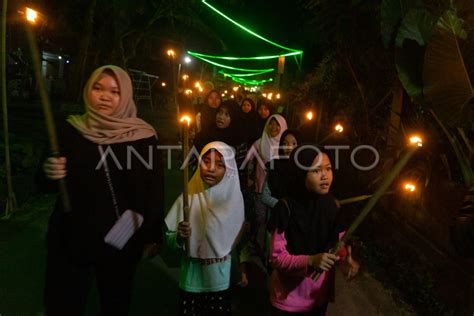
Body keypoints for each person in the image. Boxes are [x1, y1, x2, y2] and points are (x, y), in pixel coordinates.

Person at [42, 65, 164, 316]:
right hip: (73, 234)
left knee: (114, 301)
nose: (105, 96)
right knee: (66, 302)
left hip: (121, 234)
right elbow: (46, 183)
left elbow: (153, 190)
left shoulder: (141, 137)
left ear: (125, 96)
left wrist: (153, 234)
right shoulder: (71, 130)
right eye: (98, 88)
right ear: (88, 90)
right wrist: (48, 171)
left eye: (114, 91)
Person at [267, 145, 360, 315]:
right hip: (288, 299)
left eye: (328, 168)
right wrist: (310, 261)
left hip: (318, 297)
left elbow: (337, 244)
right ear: (301, 173)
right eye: (316, 171)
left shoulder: (332, 206)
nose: (325, 176)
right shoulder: (285, 208)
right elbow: (276, 258)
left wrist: (346, 259)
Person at [165, 141, 245, 316]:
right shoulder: (188, 198)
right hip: (191, 279)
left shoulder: (234, 202)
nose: (210, 168)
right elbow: (170, 240)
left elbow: (237, 242)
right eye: (206, 161)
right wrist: (179, 236)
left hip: (220, 279)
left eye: (219, 164)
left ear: (229, 170)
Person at [261, 129, 303, 209]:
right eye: (285, 143)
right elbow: (264, 196)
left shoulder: (304, 169)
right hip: (278, 216)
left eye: (294, 143)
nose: (289, 147)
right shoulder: (274, 166)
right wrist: (284, 207)